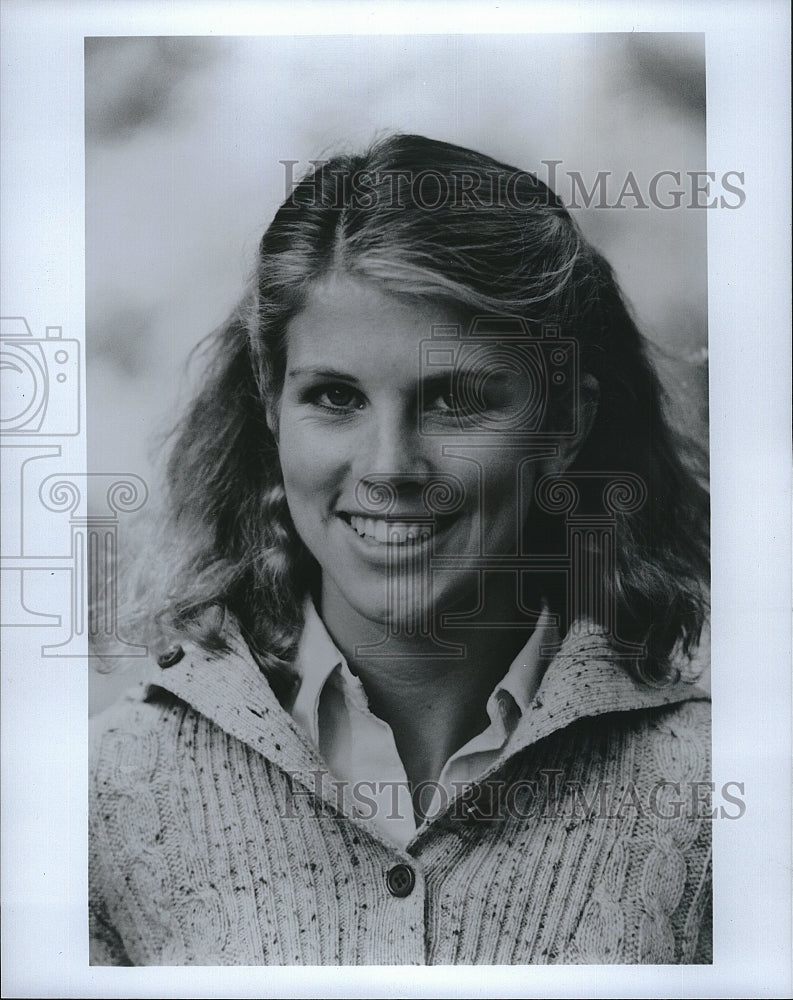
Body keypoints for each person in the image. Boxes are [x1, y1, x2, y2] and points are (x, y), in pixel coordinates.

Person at [89, 134, 711, 965]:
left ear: (565, 425)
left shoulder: (715, 792)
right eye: (336, 396)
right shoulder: (103, 795)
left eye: (454, 401)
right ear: (271, 408)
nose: (389, 467)